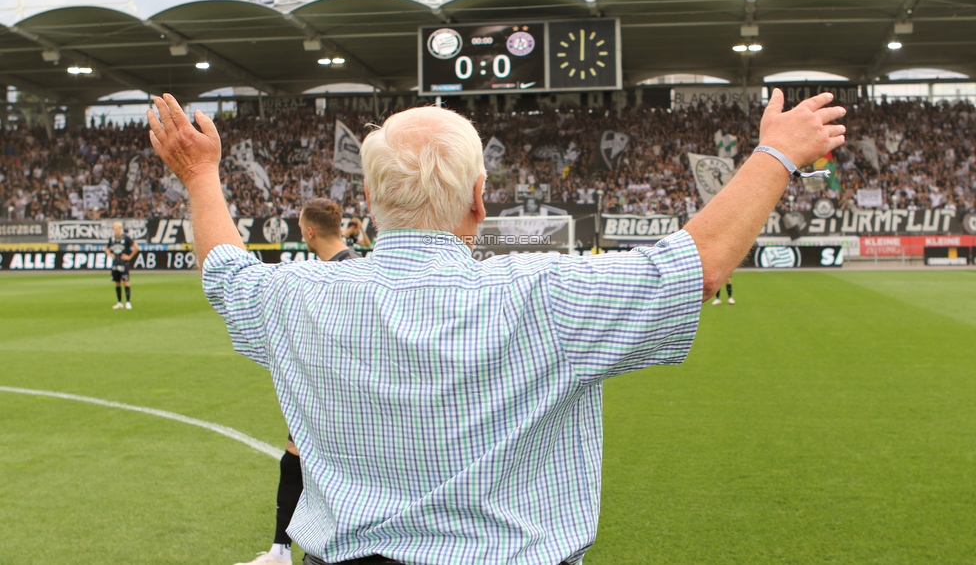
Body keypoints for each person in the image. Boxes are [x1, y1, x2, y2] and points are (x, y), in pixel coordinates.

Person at [147, 88, 845, 565]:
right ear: (479, 199)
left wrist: (201, 176)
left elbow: (223, 269)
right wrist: (777, 154)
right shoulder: (544, 295)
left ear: (370, 200)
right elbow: (697, 267)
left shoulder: (298, 297)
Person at [236, 198, 362, 565]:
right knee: (293, 463)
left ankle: (302, 548)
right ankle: (279, 549)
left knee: (314, 468)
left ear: (309, 232)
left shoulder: (344, 274)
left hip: (339, 397)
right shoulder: (343, 268)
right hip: (320, 392)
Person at [104, 221, 139, 309]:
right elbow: (106, 248)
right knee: (117, 283)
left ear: (120, 228)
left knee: (126, 282)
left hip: (124, 263)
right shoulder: (112, 239)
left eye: (117, 228)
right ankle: (119, 302)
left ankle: (128, 302)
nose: (116, 230)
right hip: (115, 263)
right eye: (114, 229)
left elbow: (136, 247)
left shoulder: (126, 238)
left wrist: (129, 256)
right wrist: (110, 254)